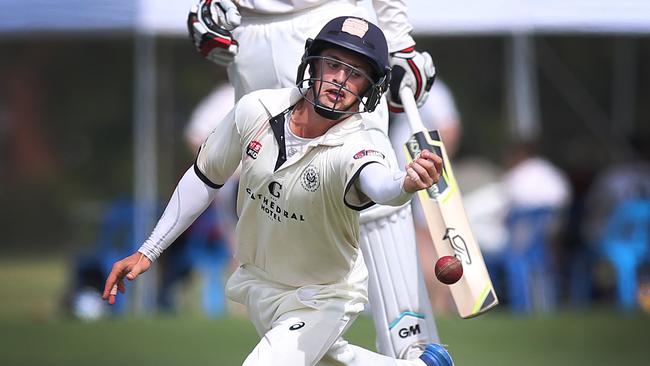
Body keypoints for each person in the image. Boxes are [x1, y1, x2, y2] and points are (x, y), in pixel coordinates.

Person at [103, 17, 452, 366]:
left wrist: (405, 183)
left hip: (324, 295)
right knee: (333, 359)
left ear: (370, 89)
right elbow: (205, 177)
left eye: (356, 74)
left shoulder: (361, 143)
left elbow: (378, 183)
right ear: (311, 62)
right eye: (333, 65)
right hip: (261, 283)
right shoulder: (256, 109)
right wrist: (148, 251)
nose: (340, 81)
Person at [187, 0, 440, 359]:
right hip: (247, 34)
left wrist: (398, 39)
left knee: (367, 191)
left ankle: (411, 346)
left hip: (327, 24)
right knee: (278, 201)